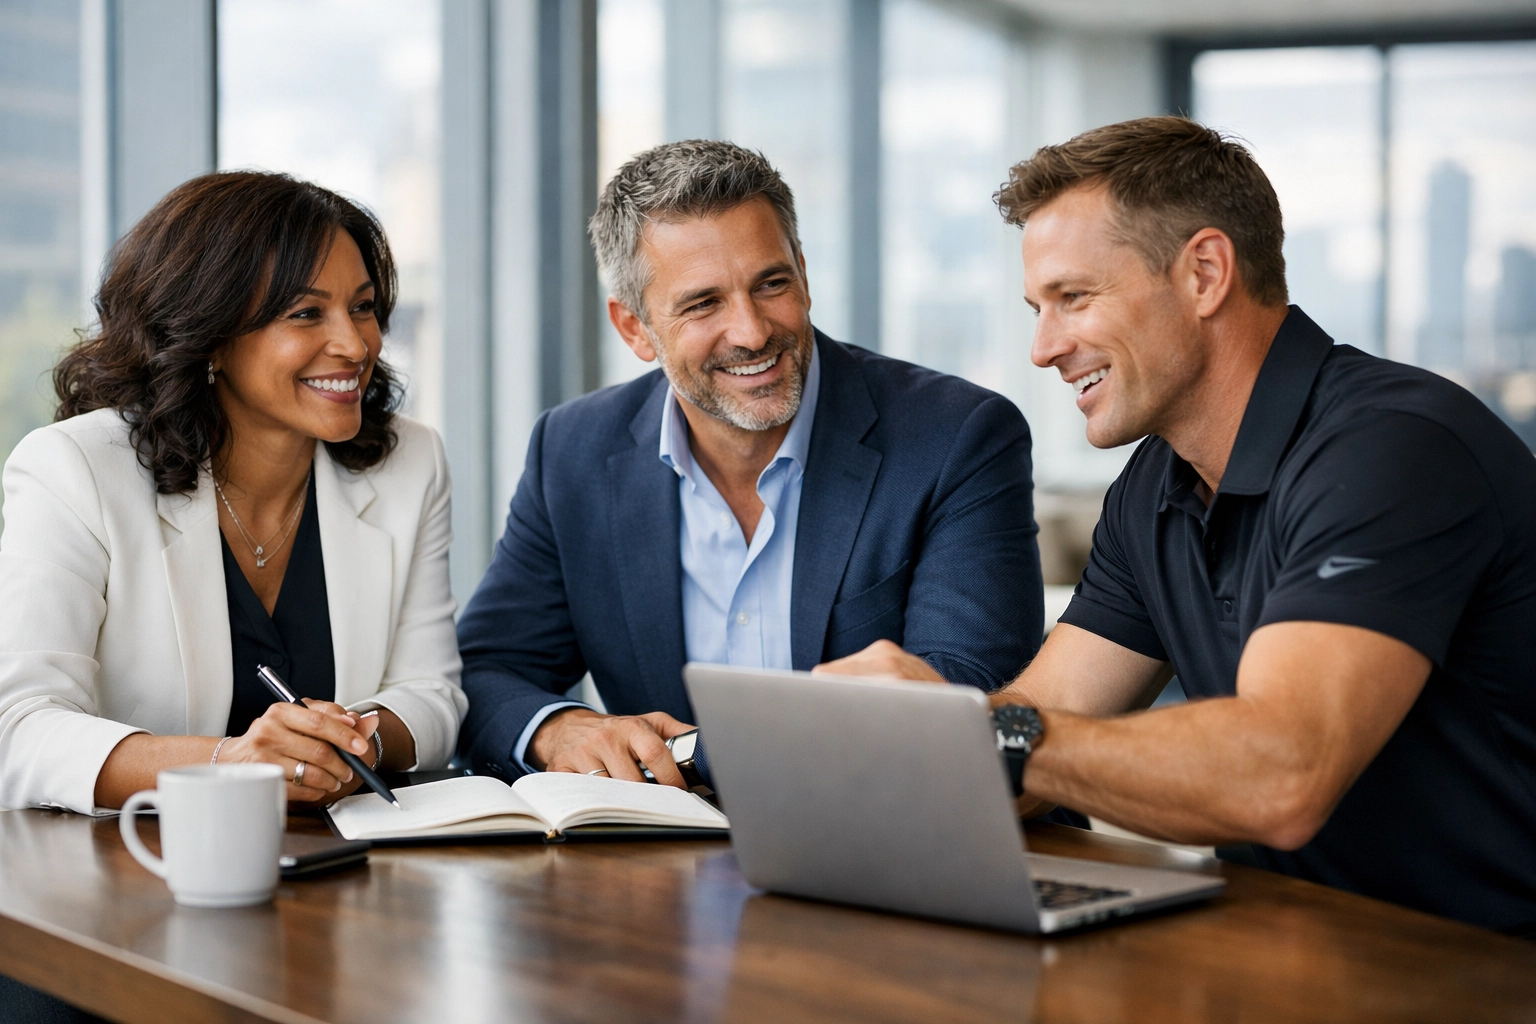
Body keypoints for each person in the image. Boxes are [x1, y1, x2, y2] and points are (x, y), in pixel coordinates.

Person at [820, 117, 1536, 936]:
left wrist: (980, 731)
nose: (1044, 348)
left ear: (1203, 273)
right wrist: (841, 761)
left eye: (1074, 298)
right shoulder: (1154, 487)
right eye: (1037, 308)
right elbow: (1039, 730)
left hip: (1487, 969)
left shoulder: (1393, 449)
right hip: (1293, 948)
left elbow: (1281, 774)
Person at [457, 140, 1044, 786]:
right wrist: (559, 728)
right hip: (668, 869)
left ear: (805, 276)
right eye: (703, 303)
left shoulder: (957, 436)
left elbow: (969, 694)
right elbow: (484, 672)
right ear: (633, 328)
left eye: (771, 284)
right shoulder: (573, 451)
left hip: (917, 840)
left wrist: (694, 755)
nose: (752, 331)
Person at [0, 171, 466, 817]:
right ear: (211, 336)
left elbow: (433, 696)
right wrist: (231, 763)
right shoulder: (74, 467)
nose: (356, 344)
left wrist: (342, 742)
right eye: (306, 314)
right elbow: (17, 728)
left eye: (362, 306)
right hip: (129, 867)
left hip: (339, 867)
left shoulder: (409, 461)